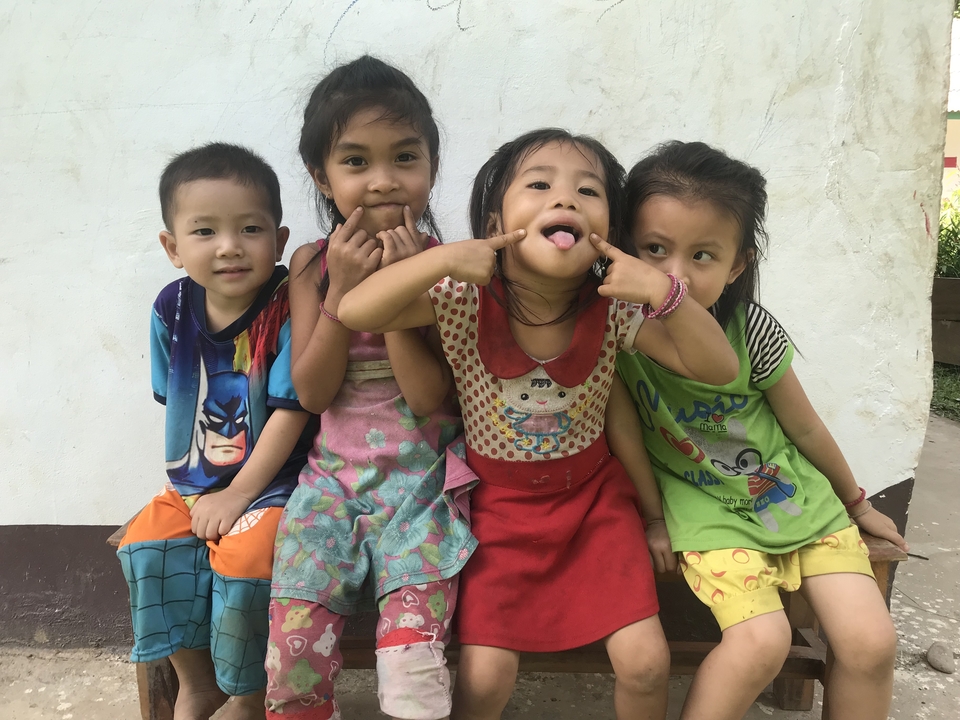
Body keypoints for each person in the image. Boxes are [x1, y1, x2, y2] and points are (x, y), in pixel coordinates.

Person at [338, 128, 741, 720]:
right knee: (484, 676)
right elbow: (354, 309)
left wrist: (664, 289)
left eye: (588, 190)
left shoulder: (614, 306)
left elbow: (718, 367)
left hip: (595, 508)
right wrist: (444, 256)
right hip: (496, 512)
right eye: (539, 184)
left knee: (646, 663)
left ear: (609, 227)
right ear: (497, 214)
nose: (567, 198)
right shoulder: (463, 295)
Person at [615, 140, 908, 720]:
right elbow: (622, 430)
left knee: (872, 644)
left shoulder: (751, 330)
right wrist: (652, 518)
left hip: (795, 496)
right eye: (654, 250)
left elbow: (806, 427)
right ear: (626, 249)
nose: (676, 274)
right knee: (760, 644)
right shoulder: (616, 330)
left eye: (703, 256)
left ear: (738, 264)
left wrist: (855, 500)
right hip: (703, 509)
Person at [266, 56, 476, 720]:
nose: (383, 180)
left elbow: (429, 399)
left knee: (412, 665)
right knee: (294, 647)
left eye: (404, 157)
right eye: (356, 161)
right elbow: (314, 390)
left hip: (423, 489)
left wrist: (402, 290)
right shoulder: (310, 265)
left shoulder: (447, 265)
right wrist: (347, 291)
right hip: (329, 488)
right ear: (320, 175)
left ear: (432, 167)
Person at [117, 142, 315, 720]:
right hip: (196, 482)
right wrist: (202, 491)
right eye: (204, 232)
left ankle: (248, 694)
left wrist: (238, 494)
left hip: (277, 484)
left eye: (249, 228)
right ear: (173, 248)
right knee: (145, 545)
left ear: (278, 241)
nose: (229, 246)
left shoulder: (286, 306)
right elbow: (177, 400)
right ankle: (198, 683)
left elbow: (292, 410)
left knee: (249, 554)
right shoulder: (170, 308)